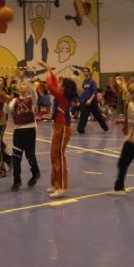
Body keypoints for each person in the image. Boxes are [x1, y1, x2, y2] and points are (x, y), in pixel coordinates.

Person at [40, 61, 79, 198]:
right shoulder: (61, 95)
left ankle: (63, 187)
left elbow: (50, 85)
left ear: (65, 88)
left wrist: (48, 69)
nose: (59, 84)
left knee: (60, 156)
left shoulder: (63, 97)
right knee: (53, 155)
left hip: (63, 129)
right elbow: (55, 83)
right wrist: (50, 71)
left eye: (62, 84)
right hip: (58, 127)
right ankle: (56, 183)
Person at [7, 72, 40, 191]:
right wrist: (10, 93)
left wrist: (24, 79)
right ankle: (17, 181)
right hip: (18, 131)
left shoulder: (32, 98)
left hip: (30, 130)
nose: (22, 86)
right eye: (20, 84)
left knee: (30, 155)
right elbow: (7, 111)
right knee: (16, 157)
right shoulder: (14, 101)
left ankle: (35, 173)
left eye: (24, 84)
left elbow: (32, 89)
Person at [77, 67, 109, 134]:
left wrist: (90, 100)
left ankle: (105, 128)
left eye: (86, 71)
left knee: (98, 116)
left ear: (89, 72)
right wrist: (81, 98)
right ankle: (80, 130)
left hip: (92, 102)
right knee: (83, 115)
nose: (85, 72)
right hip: (86, 101)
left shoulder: (92, 82)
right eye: (84, 71)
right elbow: (85, 91)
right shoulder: (84, 81)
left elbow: (95, 92)